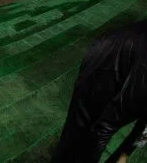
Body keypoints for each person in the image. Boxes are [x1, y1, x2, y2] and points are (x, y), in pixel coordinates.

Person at [52, 19, 147, 162]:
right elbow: (105, 127)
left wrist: (126, 151)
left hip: (130, 50)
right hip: (105, 59)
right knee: (78, 130)